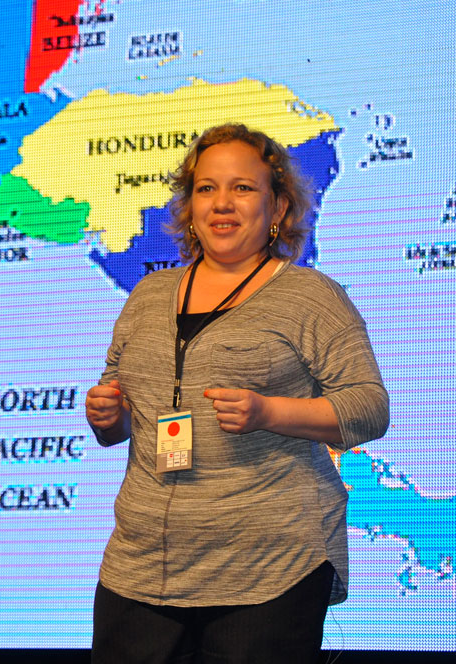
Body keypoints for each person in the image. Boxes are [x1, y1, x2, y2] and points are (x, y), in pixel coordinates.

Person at [85, 123, 389, 663]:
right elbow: (121, 421)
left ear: (278, 208)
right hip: (141, 566)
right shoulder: (148, 295)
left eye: (242, 188)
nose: (222, 203)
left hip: (269, 569)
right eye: (206, 188)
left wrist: (269, 411)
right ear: (189, 207)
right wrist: (110, 416)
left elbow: (368, 409)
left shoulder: (310, 297)